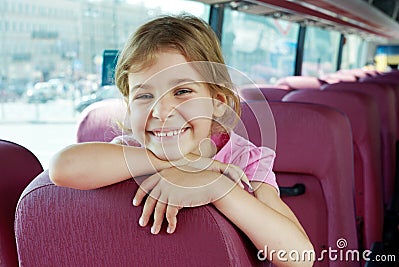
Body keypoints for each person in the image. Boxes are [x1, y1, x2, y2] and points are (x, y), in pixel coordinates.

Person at [49, 14, 314, 266]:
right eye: (143, 96)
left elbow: (300, 257)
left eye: (183, 91)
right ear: (129, 109)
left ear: (218, 102)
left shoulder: (245, 161)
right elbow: (63, 167)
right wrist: (179, 165)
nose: (162, 112)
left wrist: (221, 189)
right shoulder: (130, 151)